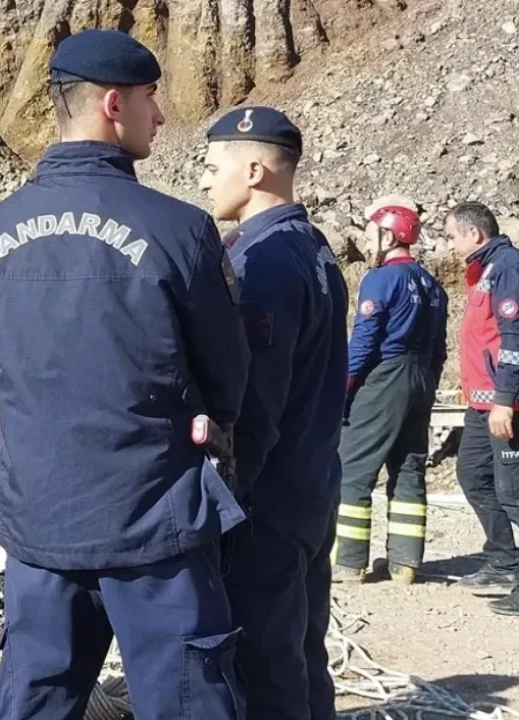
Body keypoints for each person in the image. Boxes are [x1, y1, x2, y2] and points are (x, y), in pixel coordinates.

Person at [0, 30, 250, 720]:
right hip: (152, 519)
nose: (161, 116)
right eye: (152, 99)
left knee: (36, 701)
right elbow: (226, 374)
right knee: (188, 702)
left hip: (38, 522)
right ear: (114, 105)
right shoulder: (180, 230)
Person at [198, 106, 348, 720]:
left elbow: (255, 402)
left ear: (254, 170)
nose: (204, 181)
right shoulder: (310, 245)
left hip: (268, 496)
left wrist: (227, 496)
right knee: (301, 649)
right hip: (311, 479)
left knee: (265, 664)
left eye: (213, 168)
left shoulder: (262, 261)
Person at [446, 202, 519, 616]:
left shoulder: (509, 268)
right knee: (473, 474)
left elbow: (518, 339)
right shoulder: (490, 269)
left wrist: (505, 401)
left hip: (512, 401)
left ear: (474, 233)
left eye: (453, 236)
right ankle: (502, 562)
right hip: (485, 401)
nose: (451, 245)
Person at [334, 202, 448, 584]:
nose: (368, 243)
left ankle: (348, 561)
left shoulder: (381, 279)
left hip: (386, 376)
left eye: (372, 235)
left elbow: (365, 340)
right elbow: (440, 348)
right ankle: (405, 563)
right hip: (422, 378)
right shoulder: (432, 285)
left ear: (389, 236)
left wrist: (344, 384)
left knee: (352, 468)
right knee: (410, 467)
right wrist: (428, 383)